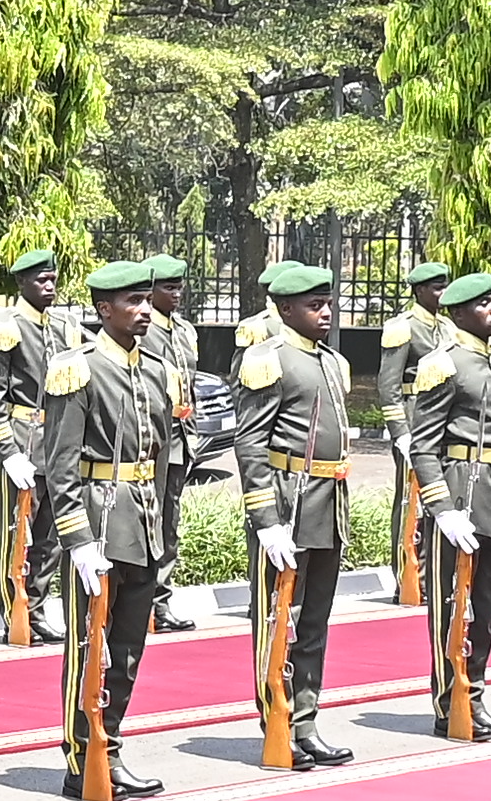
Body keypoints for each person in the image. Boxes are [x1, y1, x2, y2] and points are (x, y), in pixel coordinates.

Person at [41, 258, 189, 795]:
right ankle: (83, 758)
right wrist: (77, 540)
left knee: (127, 650)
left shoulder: (156, 369)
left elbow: (165, 460)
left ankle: (112, 744)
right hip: (100, 524)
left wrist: (163, 530)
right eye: (133, 302)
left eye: (148, 300)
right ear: (105, 310)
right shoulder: (76, 369)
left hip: (143, 524)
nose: (145, 310)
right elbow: (59, 465)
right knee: (89, 648)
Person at [235, 258, 363, 765]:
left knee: (314, 621)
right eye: (314, 306)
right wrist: (265, 519)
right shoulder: (269, 359)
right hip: (289, 500)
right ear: (285, 308)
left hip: (326, 502)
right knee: (275, 618)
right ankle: (277, 719)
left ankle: (306, 719)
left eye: (328, 303)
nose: (325, 312)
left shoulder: (330, 361)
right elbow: (250, 442)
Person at [403, 270, 491, 740]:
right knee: (453, 608)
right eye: (484, 303)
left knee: (486, 611)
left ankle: (475, 694)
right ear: (457, 313)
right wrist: (442, 507)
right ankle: (449, 700)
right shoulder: (444, 364)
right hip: (461, 493)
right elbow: (424, 445)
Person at [0, 249, 79, 644]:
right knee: (19, 535)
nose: (49, 286)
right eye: (41, 280)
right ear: (21, 283)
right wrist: (8, 451)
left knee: (52, 537)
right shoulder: (7, 325)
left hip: (57, 445)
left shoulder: (64, 325)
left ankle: (36, 608)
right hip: (23, 440)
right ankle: (14, 613)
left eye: (53, 279)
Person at [374, 260, 456, 603]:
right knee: (409, 504)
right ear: (419, 291)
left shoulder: (449, 328)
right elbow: (387, 385)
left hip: (443, 421)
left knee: (440, 497)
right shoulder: (403, 328)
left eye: (444, 287)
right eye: (436, 288)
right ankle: (405, 576)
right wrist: (400, 432)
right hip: (414, 416)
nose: (442, 294)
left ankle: (433, 573)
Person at [142, 254, 205, 631]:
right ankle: (146, 600)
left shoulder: (183, 331)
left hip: (180, 437)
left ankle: (160, 602)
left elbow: (190, 388)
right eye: (168, 287)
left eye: (179, 286)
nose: (176, 294)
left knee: (169, 522)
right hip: (154, 440)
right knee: (150, 521)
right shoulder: (144, 329)